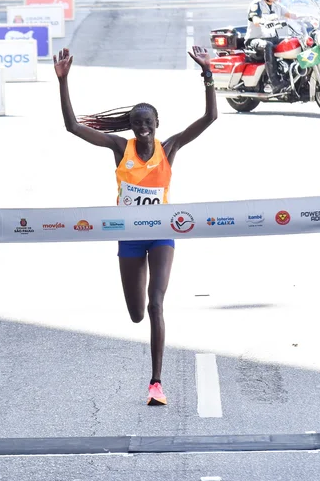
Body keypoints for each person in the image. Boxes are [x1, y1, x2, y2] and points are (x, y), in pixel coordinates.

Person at [53, 46, 217, 406]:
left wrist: (208, 74)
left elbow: (209, 119)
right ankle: (142, 322)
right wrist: (63, 81)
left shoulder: (169, 147)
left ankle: (156, 383)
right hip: (128, 236)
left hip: (161, 233)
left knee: (156, 304)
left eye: (149, 123)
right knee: (136, 313)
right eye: (138, 123)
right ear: (131, 126)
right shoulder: (119, 147)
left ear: (157, 125)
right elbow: (72, 127)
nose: (143, 129)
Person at [244, 0, 296, 93]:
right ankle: (275, 83)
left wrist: (309, 16)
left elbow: (291, 15)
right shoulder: (256, 4)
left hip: (272, 39)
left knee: (293, 42)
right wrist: (262, 21)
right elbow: (255, 19)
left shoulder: (277, 6)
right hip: (254, 42)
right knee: (267, 45)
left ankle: (292, 76)